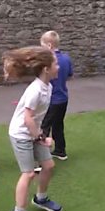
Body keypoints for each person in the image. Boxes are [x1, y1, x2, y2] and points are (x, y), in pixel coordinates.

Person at [4, 46, 62, 211]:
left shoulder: (48, 86)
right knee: (28, 174)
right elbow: (27, 119)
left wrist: (41, 136)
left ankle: (40, 198)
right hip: (21, 134)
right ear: (46, 68)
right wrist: (41, 138)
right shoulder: (35, 90)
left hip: (33, 132)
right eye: (56, 64)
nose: (59, 67)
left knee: (48, 165)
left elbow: (37, 118)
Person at [40, 31, 73, 160]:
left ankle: (42, 158)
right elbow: (69, 75)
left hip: (51, 100)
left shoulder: (47, 62)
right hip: (63, 99)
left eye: (42, 46)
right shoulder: (66, 58)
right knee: (58, 124)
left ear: (49, 45)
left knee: (44, 127)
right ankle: (60, 150)